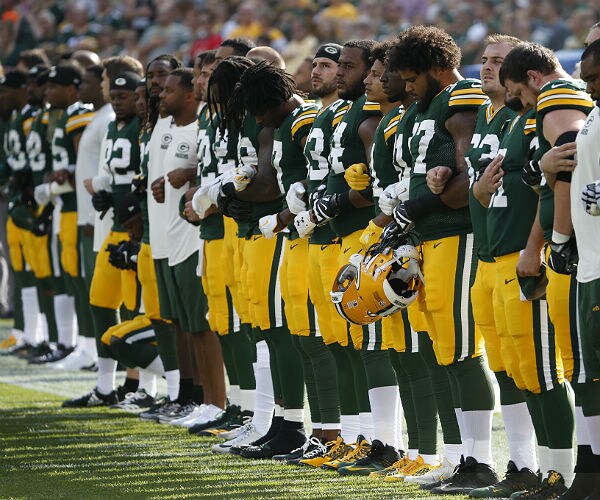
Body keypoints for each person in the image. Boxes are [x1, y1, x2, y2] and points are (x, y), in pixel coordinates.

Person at [383, 26, 498, 494]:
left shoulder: (460, 97)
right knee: (440, 350)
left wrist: (419, 205)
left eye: (413, 77)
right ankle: (458, 457)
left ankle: (482, 461)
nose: (408, 86)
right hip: (426, 239)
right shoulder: (420, 107)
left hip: (456, 235)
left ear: (436, 67)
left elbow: (469, 179)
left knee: (462, 351)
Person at [500, 41, 594, 497]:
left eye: (521, 92)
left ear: (535, 78)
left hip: (578, 247)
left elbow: (569, 150)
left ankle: (586, 473)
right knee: (577, 366)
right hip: (571, 242)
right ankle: (584, 472)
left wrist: (558, 239)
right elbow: (553, 175)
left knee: (582, 367)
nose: (521, 103)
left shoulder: (556, 93)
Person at [571, 38, 600, 500]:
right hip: (589, 262)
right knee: (591, 375)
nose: (589, 87)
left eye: (595, 78)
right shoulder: (594, 112)